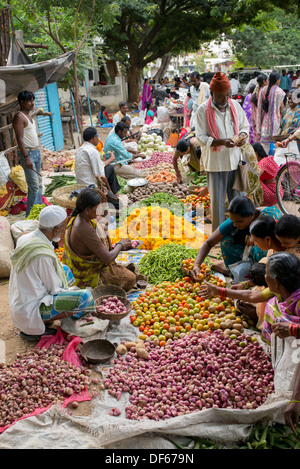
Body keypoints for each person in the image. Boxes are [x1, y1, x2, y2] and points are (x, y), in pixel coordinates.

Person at [9, 205, 96, 341]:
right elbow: (54, 289)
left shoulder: (24, 239)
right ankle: (51, 322)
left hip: (21, 304)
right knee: (85, 297)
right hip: (31, 311)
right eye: (62, 229)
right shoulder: (42, 255)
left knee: (65, 270)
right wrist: (74, 299)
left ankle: (61, 314)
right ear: (56, 229)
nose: (62, 232)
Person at [194, 71, 250, 231]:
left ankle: (240, 233)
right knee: (217, 203)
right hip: (216, 164)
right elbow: (201, 138)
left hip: (235, 161)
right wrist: (222, 142)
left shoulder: (235, 106)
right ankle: (220, 237)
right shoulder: (202, 111)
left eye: (227, 95)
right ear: (212, 93)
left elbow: (245, 125)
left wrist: (243, 135)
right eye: (220, 96)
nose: (225, 99)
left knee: (238, 201)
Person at [62, 187, 137, 291]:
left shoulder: (83, 217)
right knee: (131, 278)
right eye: (97, 207)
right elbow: (108, 259)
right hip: (87, 275)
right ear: (87, 209)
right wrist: (121, 244)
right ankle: (100, 285)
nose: (99, 210)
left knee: (129, 270)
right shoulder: (84, 229)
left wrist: (104, 198)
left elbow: (106, 220)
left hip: (89, 265)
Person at [191, 195, 282, 278]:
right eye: (232, 220)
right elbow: (209, 242)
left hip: (273, 254)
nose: (234, 224)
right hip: (251, 250)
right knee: (226, 242)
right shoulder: (236, 218)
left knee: (260, 248)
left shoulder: (269, 218)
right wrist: (196, 265)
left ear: (251, 216)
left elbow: (281, 245)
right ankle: (238, 274)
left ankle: (260, 278)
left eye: (238, 221)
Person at [12, 90, 51, 217]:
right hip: (28, 154)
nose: (32, 103)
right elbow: (20, 139)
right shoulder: (19, 116)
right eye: (29, 101)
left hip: (35, 152)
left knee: (39, 183)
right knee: (33, 186)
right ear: (22, 102)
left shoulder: (29, 116)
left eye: (33, 100)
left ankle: (38, 211)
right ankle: (30, 216)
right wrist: (26, 157)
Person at [75, 127, 120, 197]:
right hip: (90, 186)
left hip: (80, 184)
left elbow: (100, 165)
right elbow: (101, 176)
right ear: (94, 138)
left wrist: (111, 159)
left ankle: (114, 193)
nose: (98, 139)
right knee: (110, 168)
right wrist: (109, 191)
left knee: (109, 167)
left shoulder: (81, 149)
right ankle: (114, 193)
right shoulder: (93, 151)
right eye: (97, 137)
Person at [257, 70, 286, 154]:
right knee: (276, 150)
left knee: (264, 151)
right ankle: (274, 166)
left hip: (264, 126)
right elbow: (282, 109)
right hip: (276, 126)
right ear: (277, 80)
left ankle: (264, 165)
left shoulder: (262, 91)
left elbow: (259, 109)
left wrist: (258, 127)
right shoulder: (280, 92)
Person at [252, 142, 282, 206]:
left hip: (272, 194)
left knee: (253, 180)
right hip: (279, 193)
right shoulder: (269, 158)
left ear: (255, 154)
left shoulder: (262, 162)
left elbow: (256, 176)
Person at [250, 73, 268, 143]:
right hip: (262, 121)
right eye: (267, 80)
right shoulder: (264, 92)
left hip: (255, 121)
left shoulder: (255, 93)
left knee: (257, 140)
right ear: (264, 81)